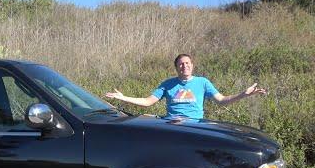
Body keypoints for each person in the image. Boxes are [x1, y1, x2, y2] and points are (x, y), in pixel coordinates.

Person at [104, 54, 267, 120]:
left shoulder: (203, 82)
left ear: (192, 65)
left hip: (195, 126)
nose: (184, 66)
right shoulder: (168, 84)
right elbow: (148, 101)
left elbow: (222, 100)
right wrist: (123, 97)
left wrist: (244, 94)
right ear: (177, 68)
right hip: (172, 126)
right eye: (181, 64)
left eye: (187, 63)